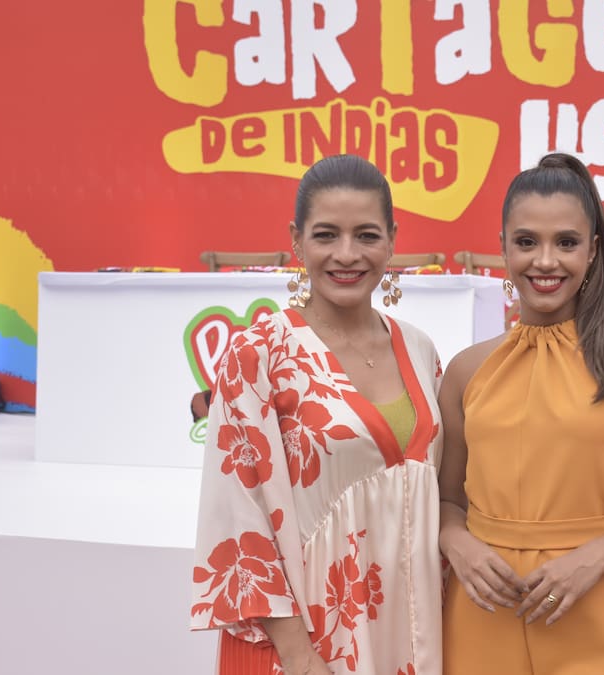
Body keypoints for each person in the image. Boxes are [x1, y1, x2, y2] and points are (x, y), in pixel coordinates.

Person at [437, 152, 604, 674]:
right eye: (527, 242)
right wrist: (457, 543)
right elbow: (446, 500)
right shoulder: (467, 370)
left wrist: (597, 556)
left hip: (600, 610)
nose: (545, 261)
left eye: (567, 242)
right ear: (504, 247)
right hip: (483, 613)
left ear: (593, 250)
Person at [190, 154, 444, 675]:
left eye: (367, 235)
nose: (346, 254)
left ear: (392, 239)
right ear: (296, 240)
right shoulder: (257, 354)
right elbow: (238, 520)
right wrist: (302, 659)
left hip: (407, 633)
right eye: (326, 234)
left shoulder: (421, 350)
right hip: (305, 646)